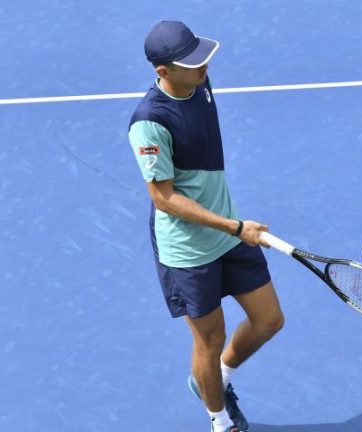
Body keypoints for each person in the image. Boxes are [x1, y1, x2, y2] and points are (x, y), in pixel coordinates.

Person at [128, 21, 284, 432]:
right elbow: (162, 197)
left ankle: (217, 381)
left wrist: (233, 229)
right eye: (191, 62)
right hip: (190, 250)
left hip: (229, 232)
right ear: (163, 70)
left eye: (202, 55)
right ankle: (219, 421)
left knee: (269, 320)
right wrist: (235, 227)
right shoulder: (150, 122)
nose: (204, 66)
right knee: (209, 341)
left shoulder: (201, 84)